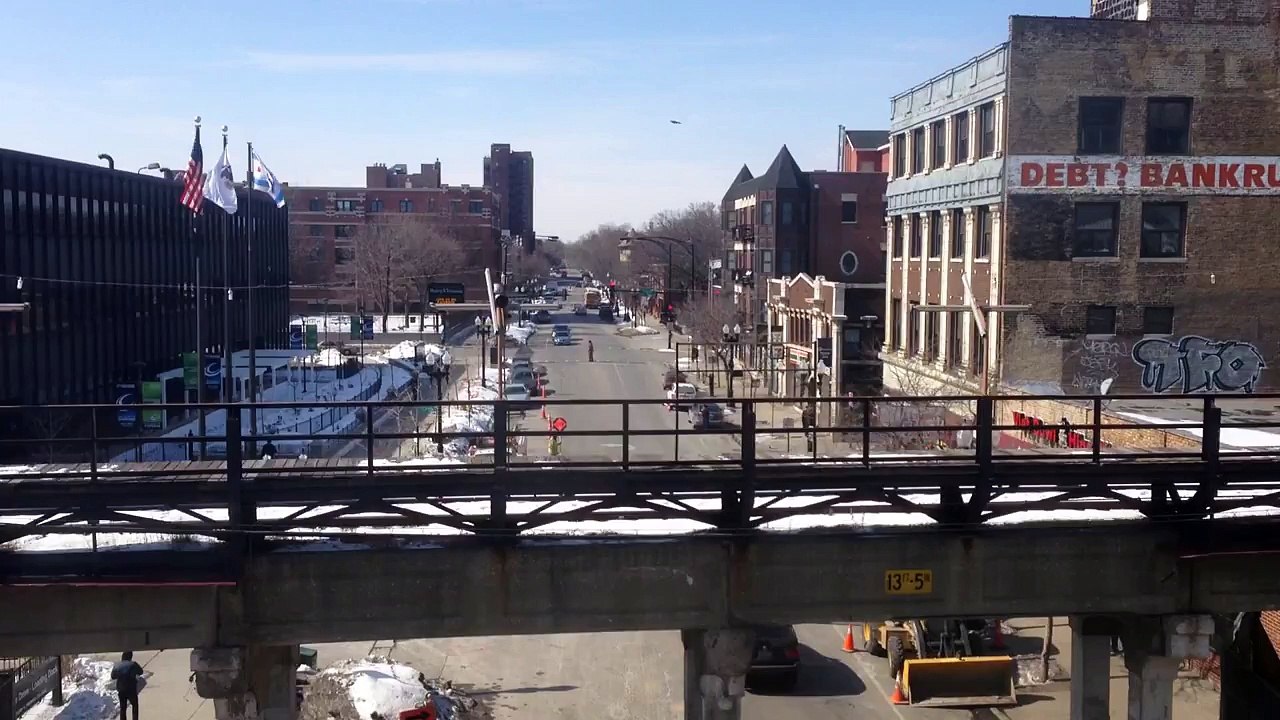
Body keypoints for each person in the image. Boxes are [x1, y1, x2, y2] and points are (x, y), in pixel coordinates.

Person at [111, 651, 144, 720]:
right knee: (134, 706)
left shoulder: (117, 665)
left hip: (121, 689)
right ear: (130, 657)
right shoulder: (133, 664)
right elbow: (141, 672)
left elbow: (113, 676)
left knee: (123, 708)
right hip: (131, 689)